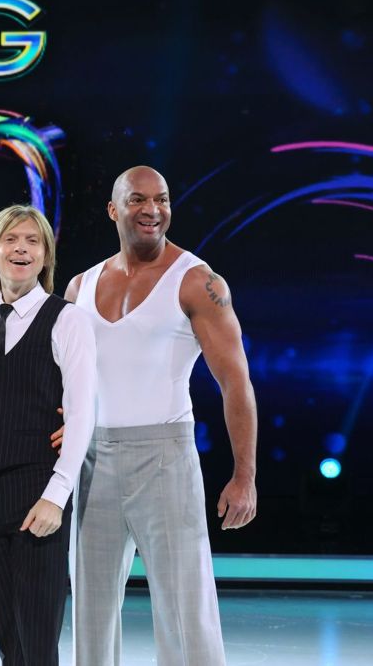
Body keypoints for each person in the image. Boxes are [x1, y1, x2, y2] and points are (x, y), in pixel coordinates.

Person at [65, 166, 258, 666]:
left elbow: (235, 382)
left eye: (162, 199)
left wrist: (245, 476)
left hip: (164, 460)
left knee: (185, 612)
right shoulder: (79, 287)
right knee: (91, 613)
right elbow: (63, 379)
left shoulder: (197, 281)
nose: (152, 210)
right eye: (138, 200)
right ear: (113, 209)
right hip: (92, 463)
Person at [0, 205, 96, 665]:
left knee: (37, 639)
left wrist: (56, 496)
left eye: (33, 241)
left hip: (38, 486)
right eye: (11, 239)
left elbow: (82, 412)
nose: (21, 248)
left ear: (45, 256)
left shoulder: (67, 319)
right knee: (7, 637)